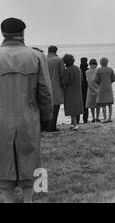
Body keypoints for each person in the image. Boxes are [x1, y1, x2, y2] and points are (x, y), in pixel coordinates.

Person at [0, 18, 53, 203]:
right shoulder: (36, 56)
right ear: (22, 33)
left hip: (1, 122)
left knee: (2, 171)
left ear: (2, 33)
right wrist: (46, 119)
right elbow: (45, 92)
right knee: (30, 167)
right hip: (28, 120)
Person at [62, 54, 83, 131]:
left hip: (69, 91)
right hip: (77, 90)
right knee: (76, 106)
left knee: (71, 108)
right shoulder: (77, 68)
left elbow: (64, 81)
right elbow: (81, 78)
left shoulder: (67, 70)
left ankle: (75, 125)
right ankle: (73, 123)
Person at [46, 45, 65, 132]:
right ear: (56, 51)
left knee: (46, 107)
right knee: (55, 106)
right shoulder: (59, 60)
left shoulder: (43, 59)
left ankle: (45, 126)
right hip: (55, 86)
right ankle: (52, 126)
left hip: (44, 86)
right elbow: (62, 74)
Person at [95, 57, 115, 122]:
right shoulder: (110, 69)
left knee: (103, 104)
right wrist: (110, 82)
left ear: (101, 63)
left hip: (102, 88)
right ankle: (110, 118)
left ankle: (105, 118)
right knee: (110, 104)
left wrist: (99, 83)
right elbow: (114, 78)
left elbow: (96, 79)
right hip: (109, 87)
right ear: (107, 62)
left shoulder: (99, 70)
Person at [80, 57, 89, 124]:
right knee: (86, 106)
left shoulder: (79, 69)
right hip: (87, 89)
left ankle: (77, 120)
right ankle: (85, 120)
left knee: (79, 105)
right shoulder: (88, 70)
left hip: (79, 89)